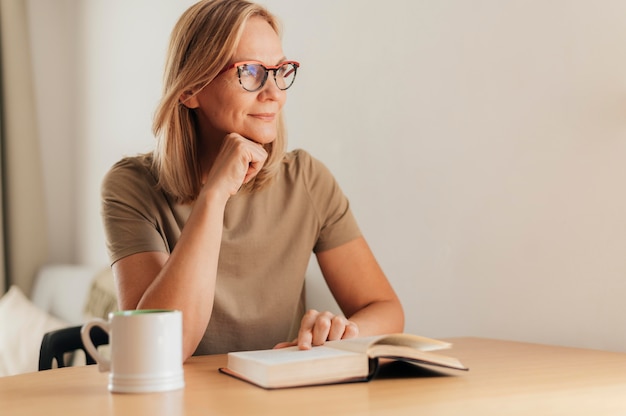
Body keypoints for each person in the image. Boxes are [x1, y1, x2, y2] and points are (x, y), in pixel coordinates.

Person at [101, 0, 404, 361]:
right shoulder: (131, 187)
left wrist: (342, 334)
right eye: (250, 72)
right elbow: (154, 353)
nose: (274, 92)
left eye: (279, 70)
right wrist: (213, 196)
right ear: (190, 90)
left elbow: (385, 308)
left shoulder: (307, 180)